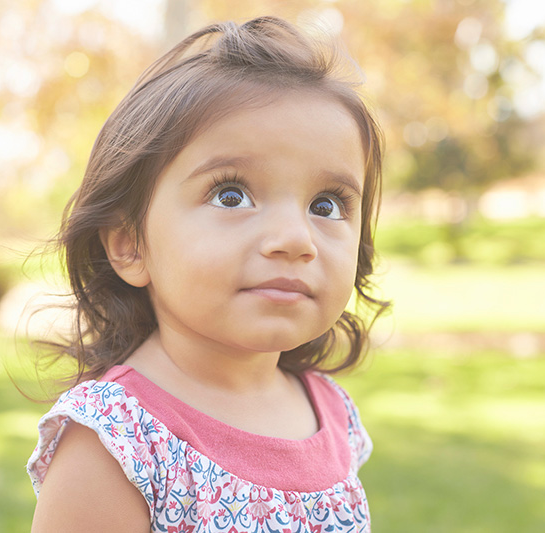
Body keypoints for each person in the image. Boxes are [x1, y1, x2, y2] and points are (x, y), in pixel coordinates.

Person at [26, 16, 389, 532]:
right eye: (231, 195)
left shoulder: (330, 412)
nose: (294, 239)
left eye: (327, 205)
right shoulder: (117, 441)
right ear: (130, 244)